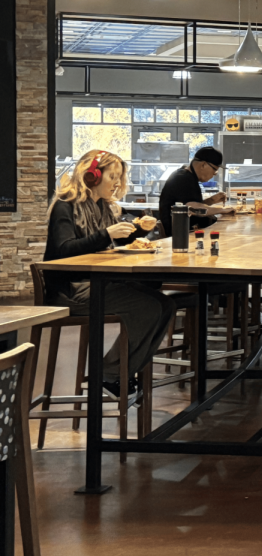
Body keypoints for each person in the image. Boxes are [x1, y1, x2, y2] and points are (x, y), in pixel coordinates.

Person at [44, 150, 176, 393]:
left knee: (165, 306)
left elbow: (108, 243)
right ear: (92, 176)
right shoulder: (65, 206)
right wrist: (107, 234)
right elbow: (64, 251)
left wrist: (138, 231)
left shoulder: (104, 207)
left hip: (97, 283)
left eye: (119, 177)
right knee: (148, 307)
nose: (117, 183)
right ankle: (111, 373)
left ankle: (117, 372)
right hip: (71, 291)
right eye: (112, 176)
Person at [158, 146, 226, 237]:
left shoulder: (186, 175)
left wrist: (211, 201)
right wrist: (222, 210)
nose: (214, 174)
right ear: (203, 165)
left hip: (186, 231)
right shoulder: (183, 178)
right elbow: (192, 209)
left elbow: (191, 205)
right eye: (215, 170)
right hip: (180, 237)